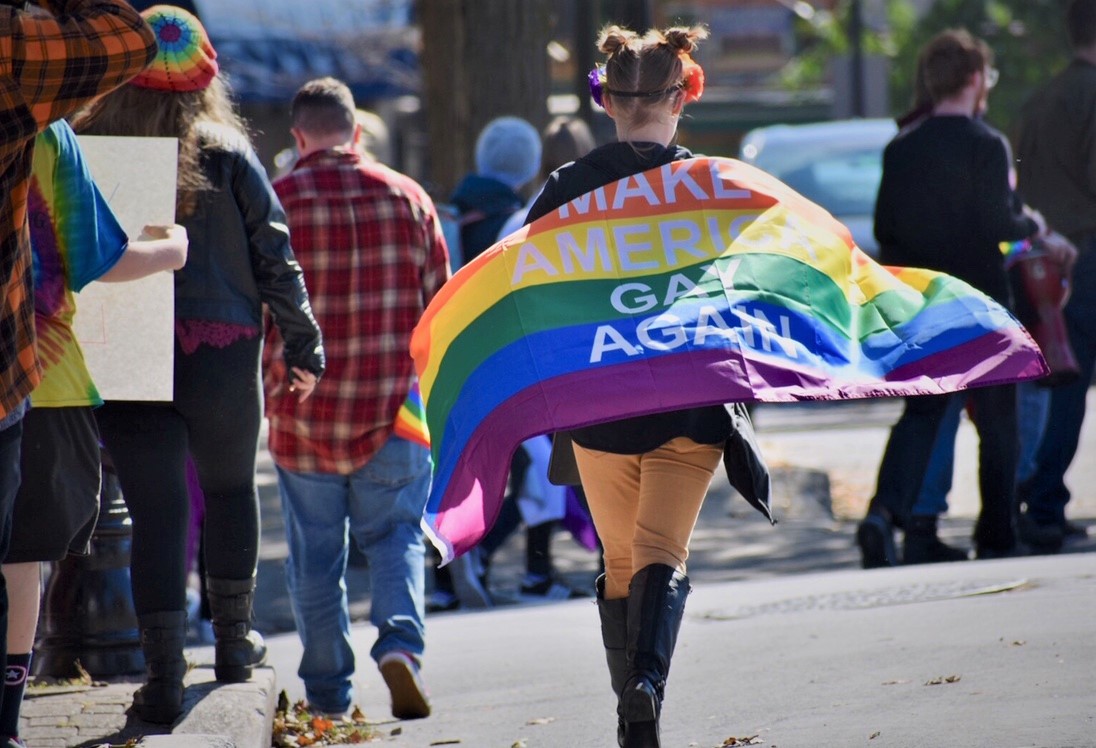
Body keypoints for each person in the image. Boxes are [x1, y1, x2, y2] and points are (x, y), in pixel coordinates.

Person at [70, 5, 325, 724]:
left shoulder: (89, 146)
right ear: (204, 77)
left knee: (157, 515)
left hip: (126, 348)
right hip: (221, 346)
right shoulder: (225, 147)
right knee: (231, 491)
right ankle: (235, 645)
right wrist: (303, 344)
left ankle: (160, 676)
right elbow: (275, 252)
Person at [523, 24, 769, 748]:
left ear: (604, 100)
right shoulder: (712, 187)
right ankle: (646, 689)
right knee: (663, 550)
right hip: (689, 403)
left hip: (597, 404)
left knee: (621, 561)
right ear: (686, 92)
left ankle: (636, 722)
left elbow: (530, 288)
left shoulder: (564, 192)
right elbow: (752, 284)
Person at [263, 77, 448, 720]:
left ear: (298, 136)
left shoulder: (274, 202)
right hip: (393, 408)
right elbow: (439, 311)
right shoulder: (410, 199)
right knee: (396, 536)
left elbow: (256, 309)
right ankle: (399, 646)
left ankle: (327, 695)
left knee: (316, 557)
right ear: (357, 131)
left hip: (302, 412)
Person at [1, 119, 187, 742]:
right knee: (20, 558)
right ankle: (5, 723)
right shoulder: (45, 132)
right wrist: (173, 250)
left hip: (35, 380)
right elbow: (99, 257)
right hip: (36, 375)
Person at [856, 29, 1048, 568]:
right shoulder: (987, 145)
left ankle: (882, 514)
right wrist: (1029, 222)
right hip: (982, 301)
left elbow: (884, 227)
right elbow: (999, 223)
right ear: (972, 81)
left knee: (920, 415)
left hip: (923, 301)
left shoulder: (902, 146)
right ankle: (997, 535)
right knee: (998, 421)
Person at [428, 115, 543, 611]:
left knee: (460, 468)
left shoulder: (446, 215)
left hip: (447, 366)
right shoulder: (523, 223)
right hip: (509, 369)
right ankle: (473, 552)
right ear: (530, 166)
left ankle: (450, 566)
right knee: (537, 478)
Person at [1012, 0, 1096, 553]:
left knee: (1057, 378)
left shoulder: (1040, 98)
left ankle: (1039, 497)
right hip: (1086, 253)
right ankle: (1043, 502)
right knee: (1068, 384)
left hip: (1041, 258)